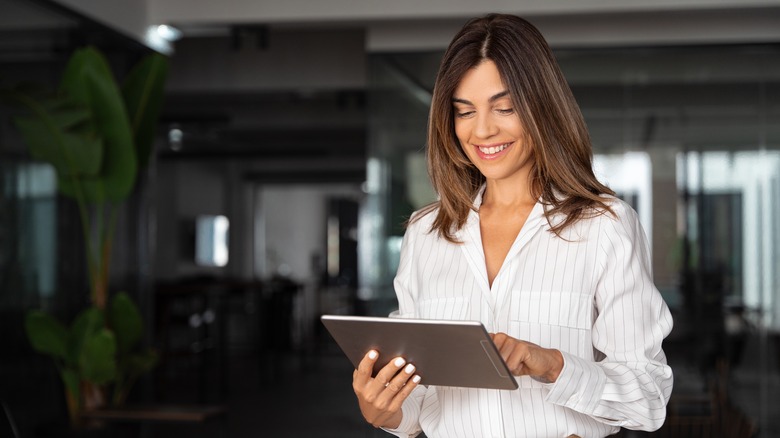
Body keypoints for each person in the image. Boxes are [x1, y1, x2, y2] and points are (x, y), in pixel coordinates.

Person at [351, 13, 673, 438]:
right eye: (464, 112)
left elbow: (647, 398)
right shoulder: (426, 233)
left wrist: (553, 364)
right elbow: (421, 401)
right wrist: (383, 409)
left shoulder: (604, 226)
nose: (482, 130)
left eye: (504, 108)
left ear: (542, 107)